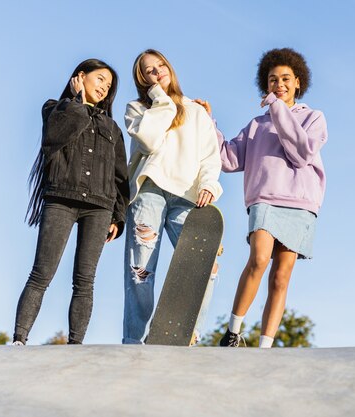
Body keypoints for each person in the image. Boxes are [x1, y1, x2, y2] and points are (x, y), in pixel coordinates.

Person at [210, 48, 328, 348]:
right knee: (259, 259)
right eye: (273, 80)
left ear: (298, 82)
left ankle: (265, 346)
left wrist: (278, 109)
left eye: (286, 79)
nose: (279, 85)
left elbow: (301, 153)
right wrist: (208, 123)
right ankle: (234, 332)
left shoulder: (313, 118)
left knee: (281, 277)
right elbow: (229, 159)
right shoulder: (256, 125)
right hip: (265, 200)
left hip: (300, 204)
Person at [13, 58, 129, 345]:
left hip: (100, 206)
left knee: (85, 280)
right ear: (80, 77)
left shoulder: (112, 128)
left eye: (109, 85)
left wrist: (118, 216)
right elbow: (54, 138)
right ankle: (19, 339)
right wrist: (76, 101)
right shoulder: (55, 109)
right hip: (61, 198)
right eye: (100, 79)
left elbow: (120, 175)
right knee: (41, 273)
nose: (104, 87)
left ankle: (76, 345)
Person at [122, 49, 223, 344]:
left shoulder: (196, 111)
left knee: (205, 264)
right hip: (149, 191)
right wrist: (161, 100)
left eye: (160, 65)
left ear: (170, 67)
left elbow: (209, 156)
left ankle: (188, 333)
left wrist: (209, 185)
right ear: (143, 80)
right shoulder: (137, 109)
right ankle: (134, 341)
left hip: (188, 194)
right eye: (149, 70)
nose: (157, 72)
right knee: (140, 270)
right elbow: (150, 142)